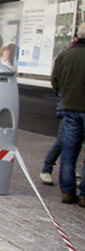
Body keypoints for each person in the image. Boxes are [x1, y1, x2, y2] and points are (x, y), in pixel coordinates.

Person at [50, 22, 85, 206]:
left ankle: (67, 192)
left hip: (69, 107)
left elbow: (55, 82)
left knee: (69, 150)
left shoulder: (64, 55)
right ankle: (84, 194)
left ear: (77, 36)